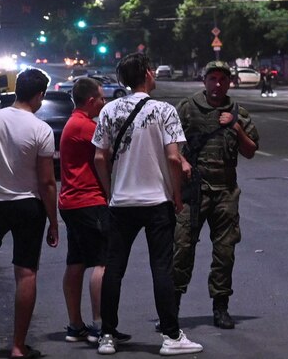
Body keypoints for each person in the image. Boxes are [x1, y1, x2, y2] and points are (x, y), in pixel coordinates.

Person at [92, 53, 202, 356]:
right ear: (147, 74)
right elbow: (172, 157)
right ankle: (171, 337)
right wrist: (177, 194)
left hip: (121, 202)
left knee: (114, 269)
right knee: (161, 269)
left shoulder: (109, 110)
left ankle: (107, 336)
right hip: (156, 202)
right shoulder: (164, 110)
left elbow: (100, 157)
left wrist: (110, 190)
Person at [0, 69, 58, 359]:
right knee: (26, 271)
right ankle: (18, 346)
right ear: (39, 95)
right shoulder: (41, 129)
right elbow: (47, 182)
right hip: (28, 205)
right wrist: (54, 222)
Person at [173, 61, 259, 330]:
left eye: (223, 79)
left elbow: (250, 150)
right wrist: (180, 164)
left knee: (225, 252)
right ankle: (171, 309)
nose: (218, 84)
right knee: (182, 249)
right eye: (213, 79)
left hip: (225, 192)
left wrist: (236, 127)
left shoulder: (237, 112)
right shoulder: (187, 109)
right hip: (193, 192)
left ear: (230, 83)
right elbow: (168, 143)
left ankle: (220, 307)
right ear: (204, 81)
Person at [59, 77, 109, 344]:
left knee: (76, 263)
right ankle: (100, 326)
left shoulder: (73, 123)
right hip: (89, 200)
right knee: (102, 262)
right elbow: (109, 152)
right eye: (101, 98)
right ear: (91, 101)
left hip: (71, 201)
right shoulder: (86, 126)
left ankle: (75, 324)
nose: (104, 102)